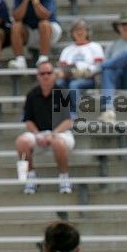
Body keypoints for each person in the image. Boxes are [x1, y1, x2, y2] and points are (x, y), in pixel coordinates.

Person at [16, 59, 75, 195]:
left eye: (49, 73)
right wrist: (37, 134)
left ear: (54, 75)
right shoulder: (32, 95)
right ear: (38, 76)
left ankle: (64, 178)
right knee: (21, 142)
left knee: (58, 142)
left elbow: (68, 121)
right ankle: (29, 177)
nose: (46, 76)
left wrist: (53, 134)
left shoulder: (62, 93)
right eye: (42, 73)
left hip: (61, 132)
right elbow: (28, 120)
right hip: (39, 133)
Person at [56, 19, 104, 114]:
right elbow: (62, 68)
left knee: (74, 85)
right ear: (72, 33)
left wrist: (85, 72)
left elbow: (99, 66)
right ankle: (61, 114)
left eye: (82, 29)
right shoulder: (67, 50)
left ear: (87, 32)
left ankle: (74, 113)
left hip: (89, 79)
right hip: (69, 77)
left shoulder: (95, 47)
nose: (79, 32)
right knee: (59, 84)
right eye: (76, 30)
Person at [8, 0, 62, 69]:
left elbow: (44, 16)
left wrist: (34, 0)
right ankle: (20, 61)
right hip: (29, 32)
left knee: (44, 24)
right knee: (15, 26)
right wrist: (26, 0)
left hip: (50, 31)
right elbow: (17, 17)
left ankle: (43, 59)